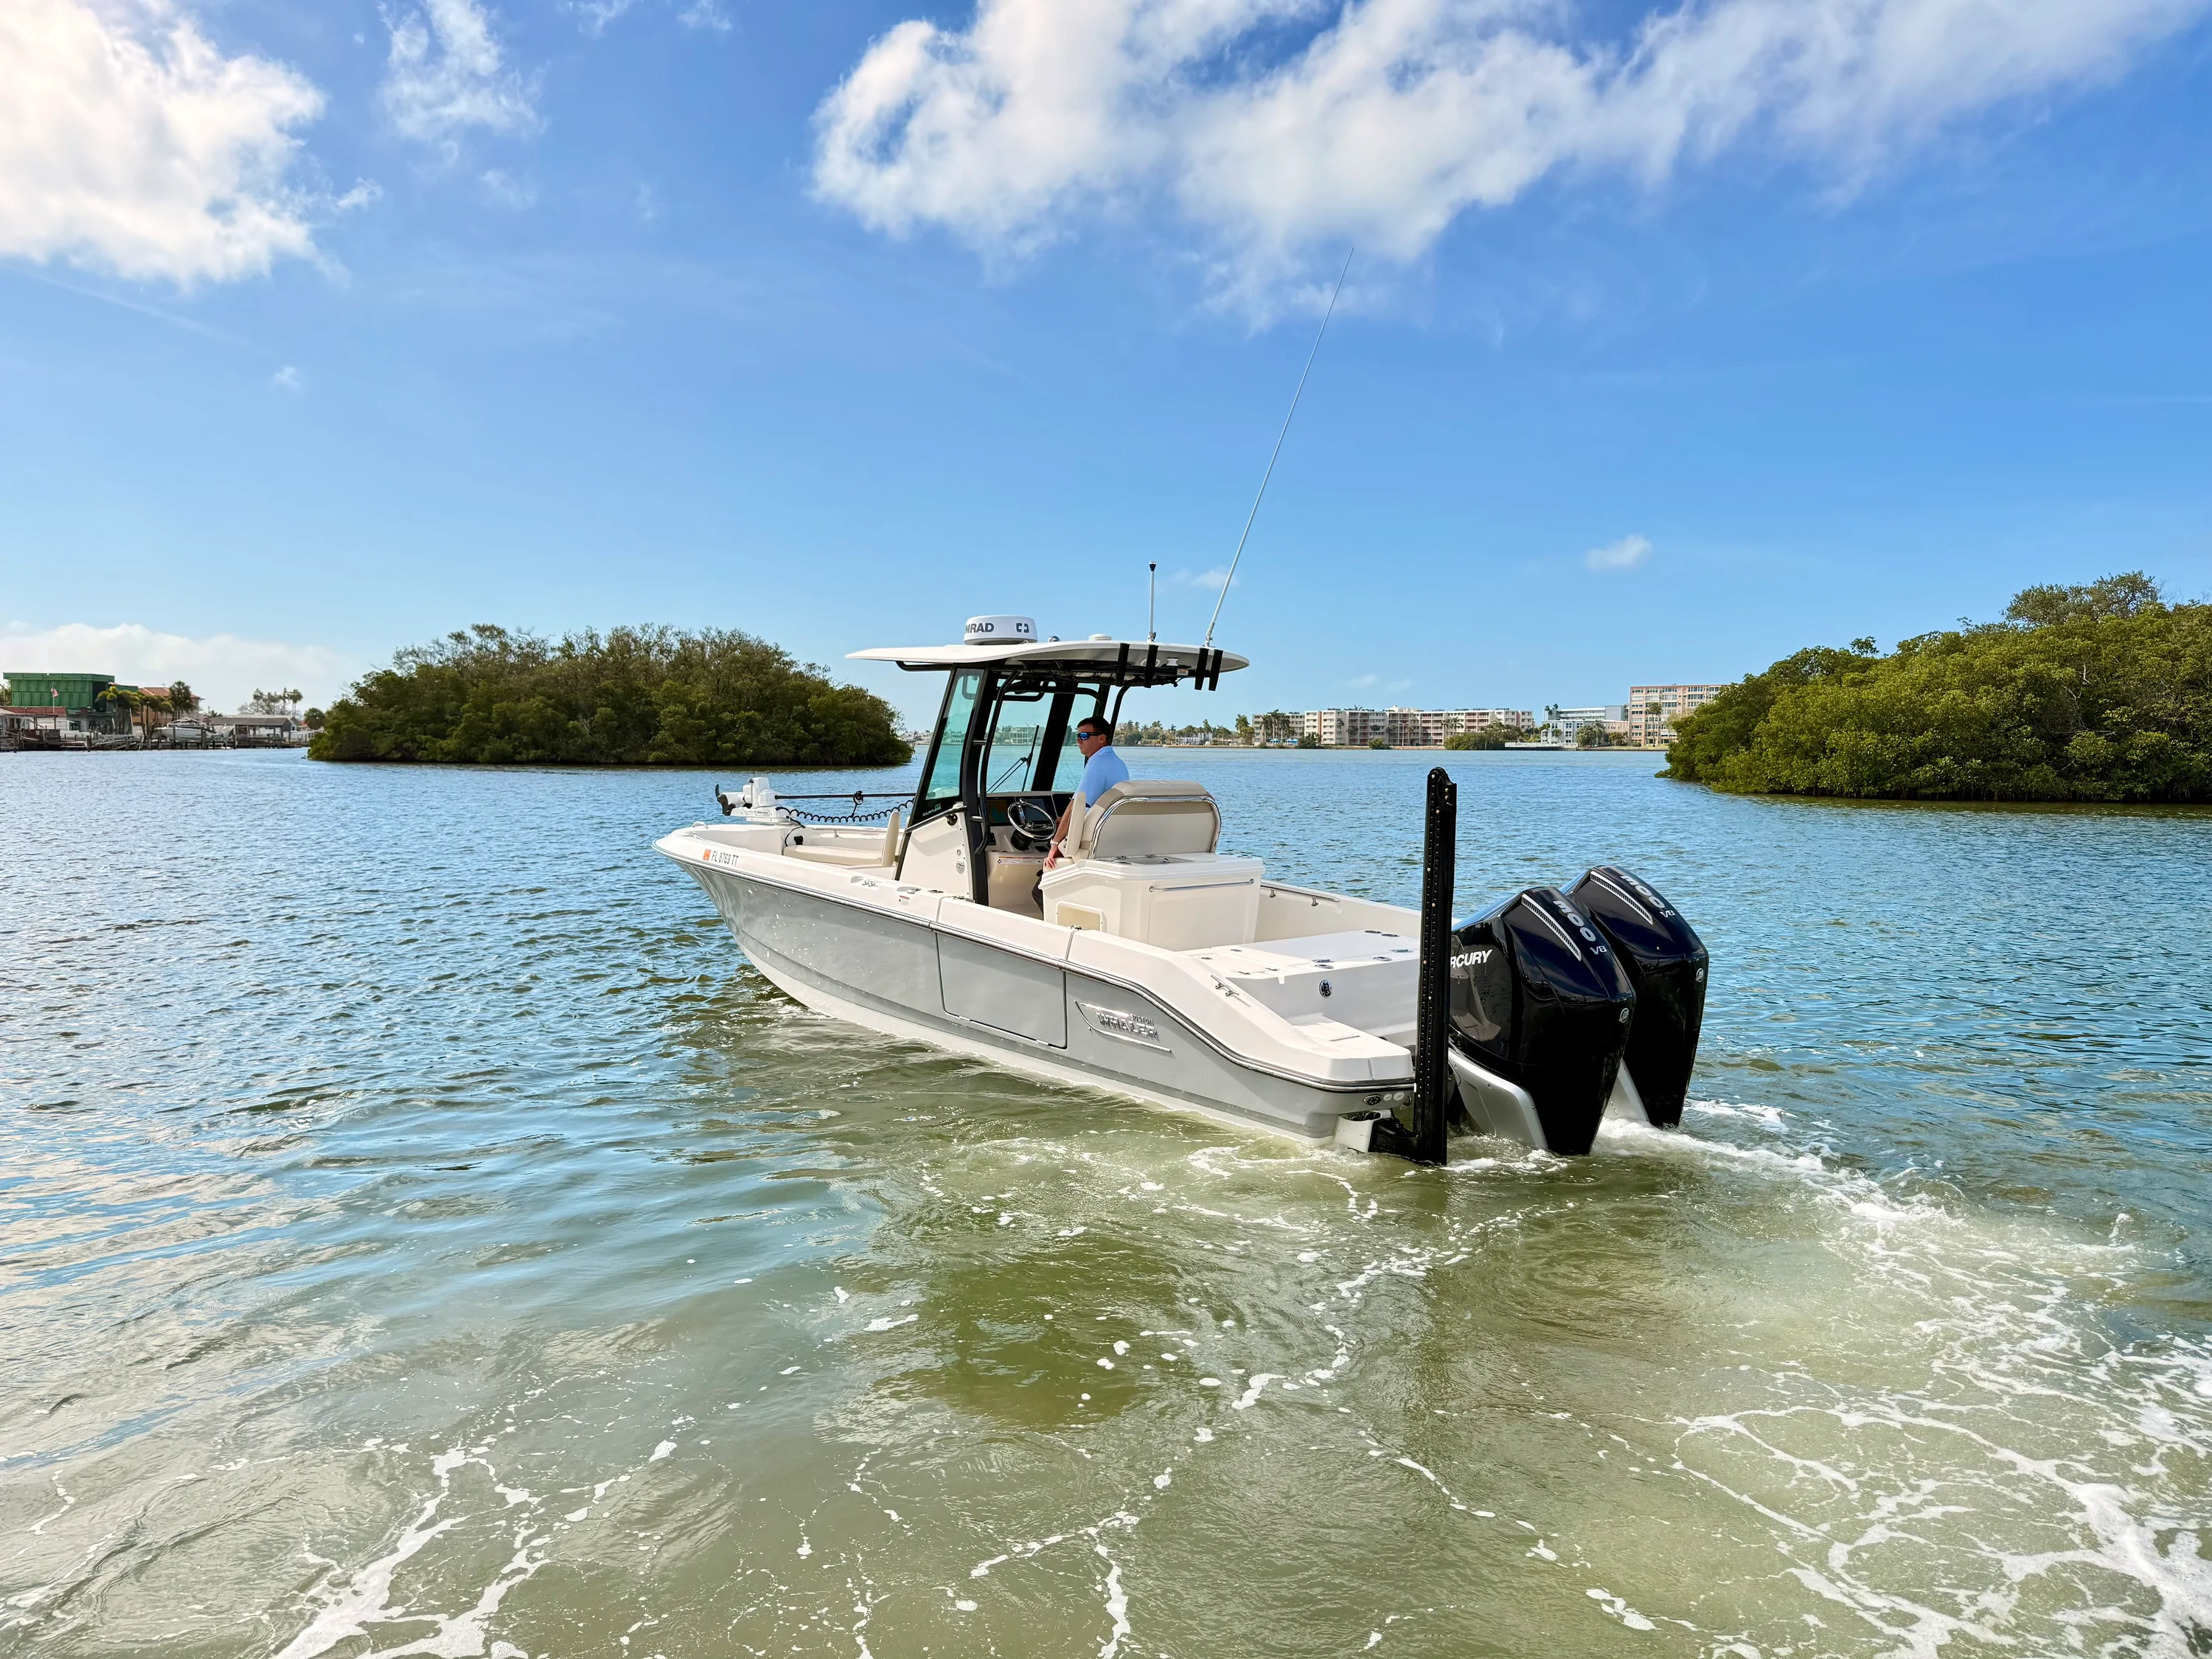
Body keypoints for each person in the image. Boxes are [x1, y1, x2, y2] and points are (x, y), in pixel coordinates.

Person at [1045, 715, 1126, 869]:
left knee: (1040, 887)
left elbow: (1077, 806)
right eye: (1077, 736)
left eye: (1084, 736)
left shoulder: (1096, 763)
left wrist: (1055, 844)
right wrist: (1062, 819)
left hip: (1089, 843)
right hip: (1109, 839)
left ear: (1102, 738)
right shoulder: (1118, 763)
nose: (1078, 741)